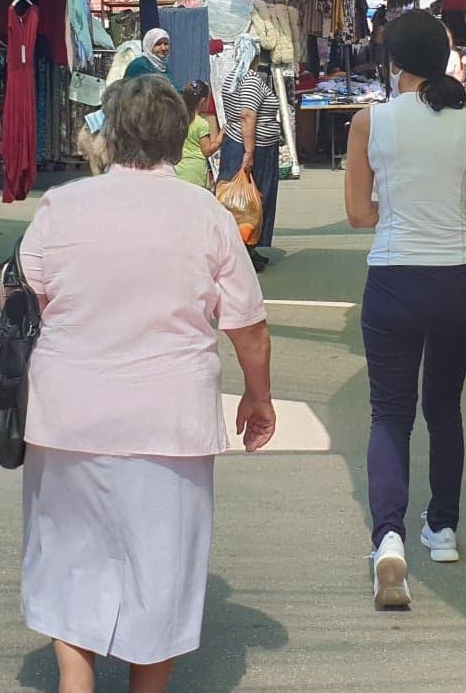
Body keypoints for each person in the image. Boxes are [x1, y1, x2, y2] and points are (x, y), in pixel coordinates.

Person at [17, 75, 276, 693]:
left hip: (68, 414)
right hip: (169, 419)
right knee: (161, 564)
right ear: (175, 136)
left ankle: (75, 683)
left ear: (110, 135)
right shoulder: (205, 214)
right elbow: (249, 325)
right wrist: (258, 397)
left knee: (70, 554)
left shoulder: (62, 206)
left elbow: (31, 293)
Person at [343, 11, 466, 609]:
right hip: (460, 280)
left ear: (393, 60)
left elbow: (359, 215)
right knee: (444, 407)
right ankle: (443, 528)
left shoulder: (370, 121)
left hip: (394, 278)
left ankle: (389, 538)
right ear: (447, 54)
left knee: (388, 415)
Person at [219, 52, 285, 271]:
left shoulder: (233, 78)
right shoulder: (250, 81)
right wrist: (249, 151)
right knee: (251, 200)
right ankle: (244, 249)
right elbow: (247, 115)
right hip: (252, 147)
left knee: (243, 201)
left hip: (239, 144)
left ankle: (249, 248)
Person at [175, 80, 222, 188]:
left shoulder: (179, 120)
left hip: (178, 169)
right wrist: (220, 138)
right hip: (195, 172)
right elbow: (207, 151)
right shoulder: (201, 124)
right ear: (203, 102)